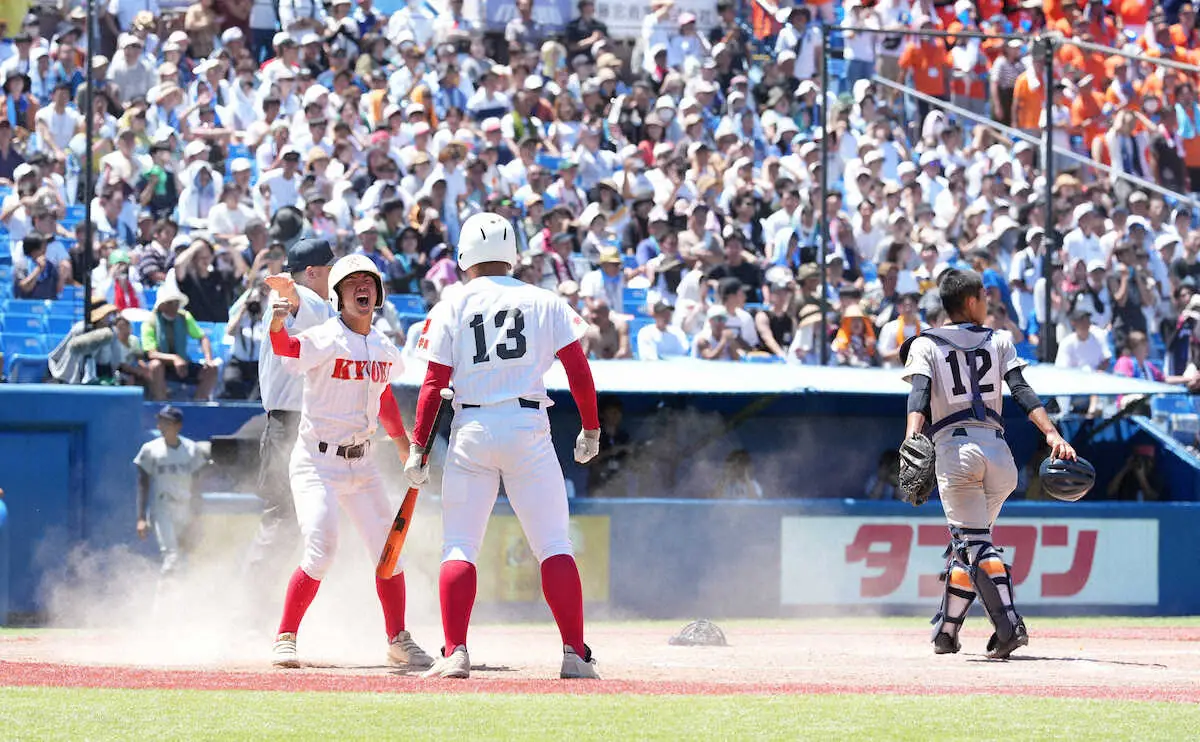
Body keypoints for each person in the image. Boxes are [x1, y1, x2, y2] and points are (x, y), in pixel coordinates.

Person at [404, 212, 601, 680]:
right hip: (528, 423)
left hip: (471, 424)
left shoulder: (451, 302)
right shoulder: (544, 299)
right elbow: (577, 368)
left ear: (464, 255)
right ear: (512, 252)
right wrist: (590, 427)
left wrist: (419, 448)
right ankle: (575, 652)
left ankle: (455, 651)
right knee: (553, 544)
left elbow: (433, 383)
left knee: (459, 546)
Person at [265, 253, 434, 671]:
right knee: (322, 549)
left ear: (377, 294)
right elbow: (286, 348)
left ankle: (397, 639)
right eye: (353, 281)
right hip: (316, 461)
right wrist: (275, 324)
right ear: (339, 294)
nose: (363, 286)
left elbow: (383, 394)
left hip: (363, 463)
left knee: (388, 554)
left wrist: (400, 441)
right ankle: (285, 637)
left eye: (369, 282)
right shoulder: (325, 337)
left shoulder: (383, 345)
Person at [901, 268, 1076, 659]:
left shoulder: (924, 344)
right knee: (966, 546)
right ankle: (946, 632)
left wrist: (913, 436)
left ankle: (1009, 623)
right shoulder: (999, 340)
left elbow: (919, 395)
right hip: (1000, 454)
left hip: (956, 450)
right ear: (969, 301)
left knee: (974, 543)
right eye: (983, 295)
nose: (987, 301)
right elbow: (1021, 391)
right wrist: (1051, 433)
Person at [243, 238, 337, 603]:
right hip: (291, 426)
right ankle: (250, 612)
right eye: (329, 269)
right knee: (284, 519)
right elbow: (292, 298)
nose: (334, 276)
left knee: (307, 524)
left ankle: (273, 609)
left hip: (305, 423)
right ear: (312, 272)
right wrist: (287, 289)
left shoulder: (309, 299)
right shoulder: (303, 297)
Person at [134, 406, 208, 577]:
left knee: (184, 557)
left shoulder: (191, 448)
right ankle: (162, 601)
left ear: (178, 425)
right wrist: (141, 518)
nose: (161, 426)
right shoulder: (150, 449)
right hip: (163, 507)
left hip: (185, 507)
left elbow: (197, 486)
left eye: (166, 422)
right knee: (171, 557)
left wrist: (197, 516)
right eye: (160, 421)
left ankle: (180, 598)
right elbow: (143, 484)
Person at [140, 284, 220, 401]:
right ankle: (161, 402)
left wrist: (208, 359)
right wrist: (174, 358)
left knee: (212, 370)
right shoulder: (150, 322)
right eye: (170, 303)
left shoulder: (185, 317)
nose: (175, 306)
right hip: (163, 365)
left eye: (176, 303)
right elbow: (151, 353)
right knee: (155, 365)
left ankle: (198, 404)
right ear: (162, 306)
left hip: (183, 363)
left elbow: (202, 337)